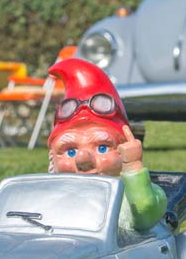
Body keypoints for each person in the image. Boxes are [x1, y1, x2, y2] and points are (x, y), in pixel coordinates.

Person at [47, 58, 166, 231]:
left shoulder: (129, 198)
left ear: (124, 149)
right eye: (70, 151)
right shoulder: (54, 198)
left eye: (102, 148)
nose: (83, 159)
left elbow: (144, 212)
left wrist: (133, 166)